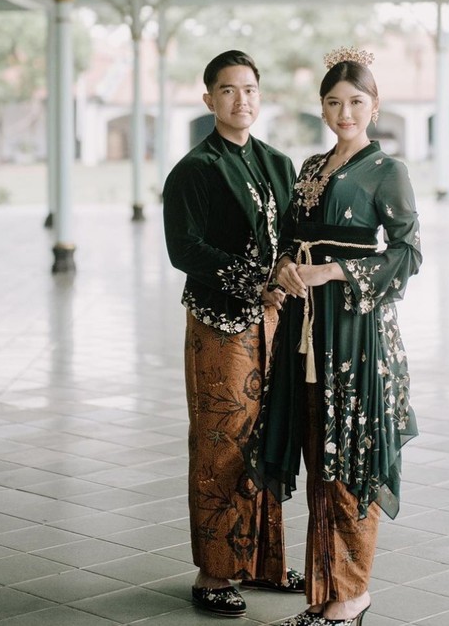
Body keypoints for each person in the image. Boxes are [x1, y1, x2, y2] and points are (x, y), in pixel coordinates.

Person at [245, 47, 422, 626]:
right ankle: (323, 595)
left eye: (356, 102)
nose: (344, 112)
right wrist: (286, 270)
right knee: (318, 449)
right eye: (333, 102)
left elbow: (408, 252)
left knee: (349, 452)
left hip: (352, 329)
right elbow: (289, 239)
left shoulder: (387, 170)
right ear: (322, 106)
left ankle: (351, 595)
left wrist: (334, 270)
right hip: (303, 325)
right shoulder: (311, 167)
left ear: (374, 106)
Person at [162, 50, 304, 617]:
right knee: (222, 441)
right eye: (227, 90)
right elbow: (185, 250)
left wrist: (288, 278)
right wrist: (256, 283)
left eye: (249, 89)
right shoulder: (195, 169)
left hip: (273, 322)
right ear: (208, 99)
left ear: (259, 96)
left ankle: (263, 563)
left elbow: (292, 233)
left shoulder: (277, 162)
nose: (240, 100)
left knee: (267, 439)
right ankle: (213, 572)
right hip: (221, 324)